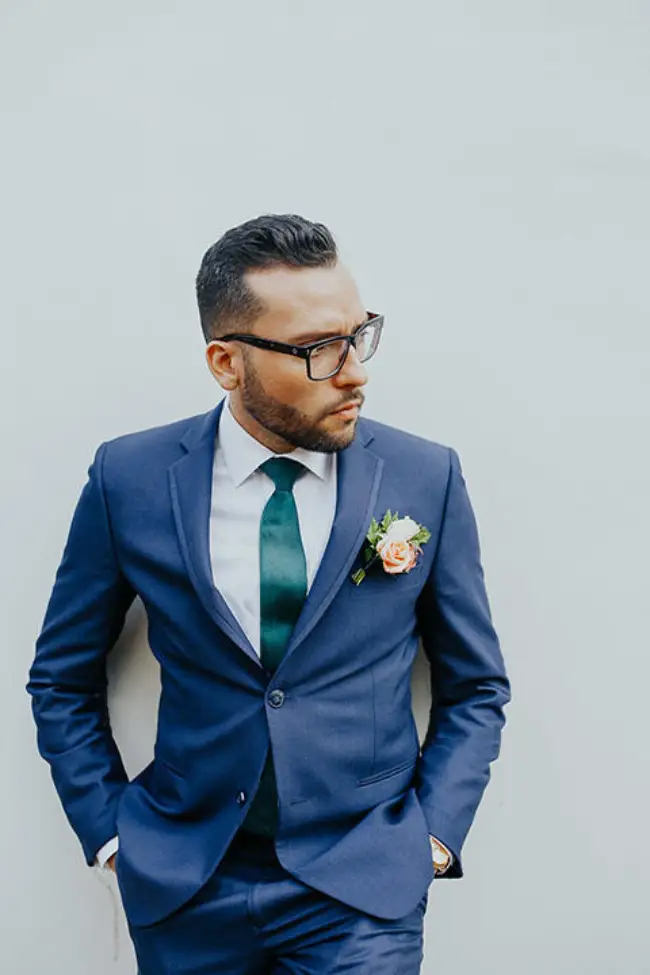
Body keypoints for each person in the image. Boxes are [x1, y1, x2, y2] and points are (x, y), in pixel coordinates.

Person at [26, 213, 510, 974]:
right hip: (187, 883)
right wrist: (112, 834)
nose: (354, 370)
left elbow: (477, 683)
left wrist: (433, 838)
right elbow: (60, 676)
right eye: (319, 348)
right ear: (226, 361)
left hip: (362, 889)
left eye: (360, 334)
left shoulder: (425, 477)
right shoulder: (131, 478)